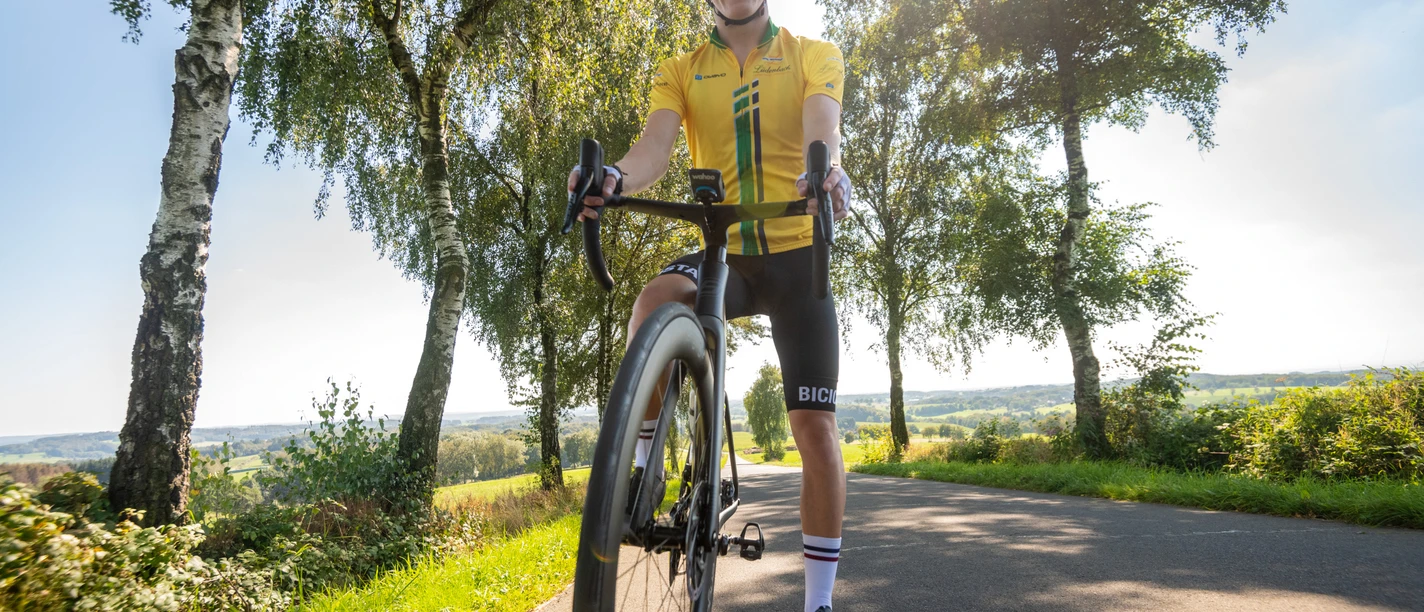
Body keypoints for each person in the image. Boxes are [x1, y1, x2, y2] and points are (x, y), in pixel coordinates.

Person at [568, 1, 852, 610]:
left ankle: (819, 601)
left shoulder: (812, 55)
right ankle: (644, 473)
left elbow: (822, 131)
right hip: (728, 251)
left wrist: (824, 175)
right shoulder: (682, 69)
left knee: (814, 428)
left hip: (800, 256)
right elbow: (654, 148)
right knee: (652, 304)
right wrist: (614, 175)